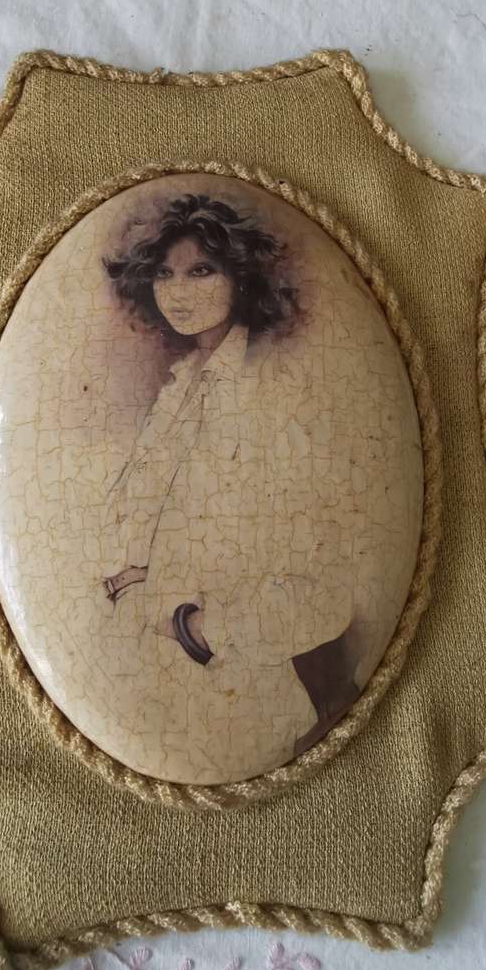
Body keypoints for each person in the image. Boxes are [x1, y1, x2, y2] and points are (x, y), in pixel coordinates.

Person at [100, 193, 361, 778]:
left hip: (239, 704)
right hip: (148, 690)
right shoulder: (182, 385)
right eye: (165, 273)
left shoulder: (277, 392)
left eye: (201, 270)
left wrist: (195, 629)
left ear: (240, 276)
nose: (179, 291)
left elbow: (322, 592)